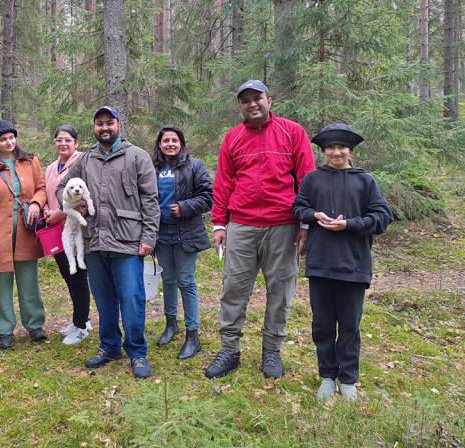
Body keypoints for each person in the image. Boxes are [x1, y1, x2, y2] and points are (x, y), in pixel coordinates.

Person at [205, 80, 315, 380]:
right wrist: (219, 222)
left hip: (283, 224)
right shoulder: (232, 138)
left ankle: (272, 351)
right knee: (233, 289)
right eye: (245, 100)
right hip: (241, 224)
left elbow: (307, 179)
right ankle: (229, 349)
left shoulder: (292, 132)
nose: (252, 104)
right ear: (239, 106)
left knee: (280, 290)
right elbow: (224, 182)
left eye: (257, 98)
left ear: (269, 99)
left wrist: (306, 223)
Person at [56, 106, 160, 378]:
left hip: (128, 241)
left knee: (132, 299)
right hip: (94, 241)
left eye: (109, 123)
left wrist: (149, 236)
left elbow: (150, 199)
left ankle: (137, 352)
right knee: (103, 300)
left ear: (118, 125)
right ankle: (109, 347)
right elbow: (60, 187)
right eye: (99, 123)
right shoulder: (85, 160)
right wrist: (71, 205)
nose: (104, 128)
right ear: (94, 127)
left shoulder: (137, 156)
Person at [293, 123, 392, 402]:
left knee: (349, 324)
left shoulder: (365, 181)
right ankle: (327, 375)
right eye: (330, 148)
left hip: (354, 263)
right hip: (320, 262)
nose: (336, 152)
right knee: (322, 324)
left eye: (341, 147)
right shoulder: (312, 180)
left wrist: (349, 224)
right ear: (324, 152)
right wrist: (314, 216)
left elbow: (382, 217)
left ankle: (348, 378)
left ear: (350, 151)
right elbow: (298, 207)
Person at [0, 119, 48, 349]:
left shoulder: (30, 160)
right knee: (1, 281)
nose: (9, 142)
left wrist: (35, 203)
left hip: (26, 229)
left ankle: (35, 325)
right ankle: (4, 330)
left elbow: (42, 188)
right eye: (3, 139)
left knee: (29, 279)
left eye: (12, 137)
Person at [151, 125, 213, 360]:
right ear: (159, 144)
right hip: (161, 232)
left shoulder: (194, 166)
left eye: (174, 140)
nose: (170, 144)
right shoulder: (153, 167)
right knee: (167, 278)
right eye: (165, 140)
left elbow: (208, 196)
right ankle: (170, 324)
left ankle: (192, 335)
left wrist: (185, 207)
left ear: (181, 143)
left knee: (186, 281)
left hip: (186, 232)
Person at [44, 124, 93, 345]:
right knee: (68, 276)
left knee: (78, 278)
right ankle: (79, 319)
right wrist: (46, 210)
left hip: (76, 230)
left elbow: (83, 197)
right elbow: (49, 194)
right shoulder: (52, 167)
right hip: (56, 231)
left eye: (68, 140)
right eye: (59, 140)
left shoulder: (82, 162)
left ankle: (82, 326)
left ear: (76, 143)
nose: (63, 144)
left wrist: (60, 213)